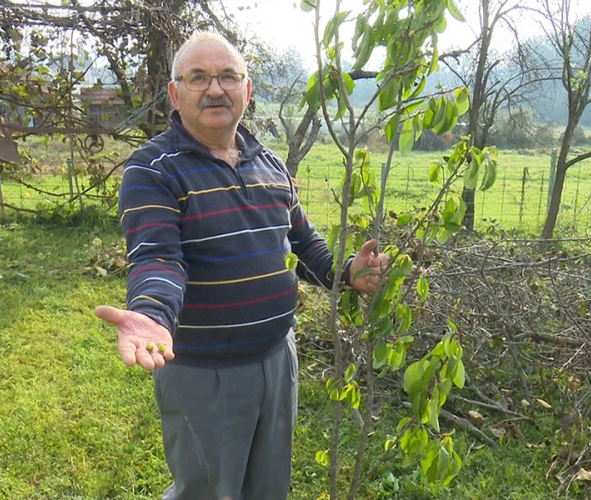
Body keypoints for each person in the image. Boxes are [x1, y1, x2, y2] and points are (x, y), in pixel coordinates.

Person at [95, 30, 388, 500]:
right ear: (175, 93)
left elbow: (302, 245)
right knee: (207, 493)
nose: (215, 88)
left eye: (228, 76)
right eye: (198, 78)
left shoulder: (269, 163)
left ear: (246, 90)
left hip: (277, 359)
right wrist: (151, 313)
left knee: (268, 489)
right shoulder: (153, 170)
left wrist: (347, 271)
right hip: (204, 371)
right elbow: (158, 257)